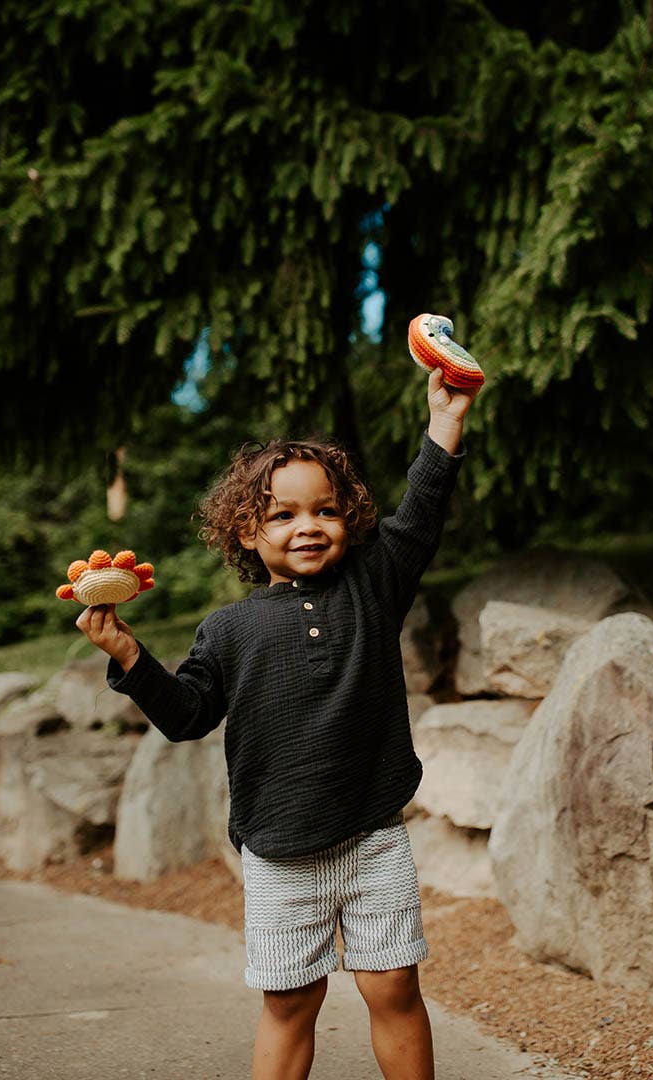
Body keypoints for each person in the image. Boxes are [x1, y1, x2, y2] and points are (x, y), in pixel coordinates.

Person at [76, 365, 474, 1080]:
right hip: (279, 851)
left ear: (349, 519)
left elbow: (423, 506)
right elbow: (188, 717)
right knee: (292, 1004)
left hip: (373, 835)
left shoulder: (375, 583)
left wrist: (446, 421)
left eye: (324, 510)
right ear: (245, 531)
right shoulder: (228, 630)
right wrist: (128, 652)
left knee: (394, 988)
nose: (307, 527)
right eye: (283, 515)